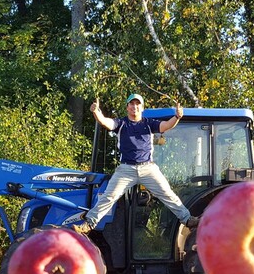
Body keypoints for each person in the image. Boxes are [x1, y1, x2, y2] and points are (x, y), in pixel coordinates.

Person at [73, 93, 200, 234]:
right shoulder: (121, 124)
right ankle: (89, 223)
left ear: (142, 108)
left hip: (148, 168)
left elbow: (166, 126)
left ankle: (188, 220)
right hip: (126, 170)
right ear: (127, 107)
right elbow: (106, 122)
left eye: (137, 104)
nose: (135, 106)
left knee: (167, 193)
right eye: (132, 104)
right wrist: (96, 112)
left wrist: (177, 117)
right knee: (109, 196)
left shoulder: (148, 123)